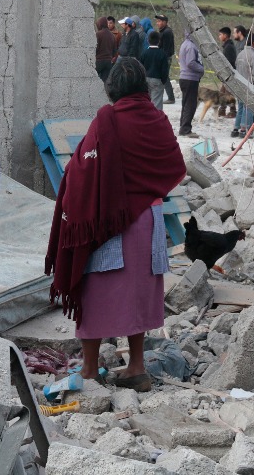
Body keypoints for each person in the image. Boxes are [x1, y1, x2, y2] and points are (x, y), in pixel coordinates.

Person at [45, 58, 186, 393]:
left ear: (112, 88)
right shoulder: (158, 118)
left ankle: (91, 369)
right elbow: (174, 166)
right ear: (142, 86)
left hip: (111, 223)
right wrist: (144, 191)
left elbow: (82, 171)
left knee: (94, 289)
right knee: (138, 291)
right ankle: (136, 366)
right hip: (148, 220)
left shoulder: (107, 118)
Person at [178, 29, 204, 138]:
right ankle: (185, 129)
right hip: (190, 78)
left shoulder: (185, 44)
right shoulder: (191, 46)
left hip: (184, 77)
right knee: (190, 104)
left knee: (186, 103)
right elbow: (191, 63)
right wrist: (201, 69)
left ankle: (183, 126)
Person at [140, 30, 169, 110]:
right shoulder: (162, 53)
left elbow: (140, 67)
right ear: (159, 41)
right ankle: (156, 119)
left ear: (148, 40)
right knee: (157, 103)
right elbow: (165, 70)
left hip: (146, 79)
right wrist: (163, 81)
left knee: (146, 101)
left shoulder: (144, 53)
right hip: (157, 79)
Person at [155, 14, 176, 104]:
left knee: (165, 77)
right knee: (163, 77)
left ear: (165, 22)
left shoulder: (167, 32)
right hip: (163, 57)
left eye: (159, 21)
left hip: (165, 58)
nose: (157, 23)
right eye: (157, 21)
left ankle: (171, 98)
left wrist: (161, 60)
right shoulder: (163, 31)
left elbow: (166, 49)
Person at [94, 17, 115, 83]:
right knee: (103, 83)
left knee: (93, 81)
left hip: (98, 61)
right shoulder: (112, 35)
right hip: (108, 62)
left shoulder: (98, 34)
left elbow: (95, 48)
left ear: (100, 24)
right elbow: (114, 51)